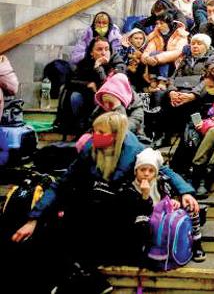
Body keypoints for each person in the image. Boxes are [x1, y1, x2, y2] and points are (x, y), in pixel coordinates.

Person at [12, 112, 198, 294]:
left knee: (62, 239)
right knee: (46, 234)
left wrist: (185, 192)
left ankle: (84, 278)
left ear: (116, 135)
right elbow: (62, 184)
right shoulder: (90, 149)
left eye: (101, 133)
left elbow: (165, 171)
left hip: (122, 218)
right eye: (94, 131)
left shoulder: (136, 152)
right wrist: (33, 219)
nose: (95, 136)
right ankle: (86, 280)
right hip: (93, 210)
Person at [130, 147, 206, 262]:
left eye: (151, 171)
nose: (146, 174)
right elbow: (139, 211)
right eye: (143, 170)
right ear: (136, 171)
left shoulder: (160, 182)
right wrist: (145, 195)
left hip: (164, 217)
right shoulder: (130, 188)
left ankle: (196, 243)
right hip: (148, 221)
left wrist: (172, 202)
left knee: (191, 207)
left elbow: (167, 198)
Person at [57, 37, 126, 134]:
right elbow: (71, 81)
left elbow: (108, 86)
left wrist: (98, 68)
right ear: (91, 53)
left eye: (107, 49)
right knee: (75, 97)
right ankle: (79, 128)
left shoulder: (117, 64)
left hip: (109, 99)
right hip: (88, 97)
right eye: (99, 49)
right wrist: (88, 84)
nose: (103, 53)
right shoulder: (85, 63)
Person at [189, 67, 214, 198]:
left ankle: (207, 172)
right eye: (207, 86)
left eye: (211, 86)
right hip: (207, 130)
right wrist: (198, 122)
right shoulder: (204, 96)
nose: (208, 88)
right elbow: (194, 113)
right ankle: (198, 169)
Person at [140, 11, 189, 80]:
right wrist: (146, 58)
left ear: (169, 24)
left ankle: (162, 81)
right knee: (153, 54)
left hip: (175, 63)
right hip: (156, 63)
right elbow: (148, 50)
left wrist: (157, 58)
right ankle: (154, 81)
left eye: (161, 23)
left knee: (161, 57)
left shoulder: (180, 34)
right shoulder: (155, 35)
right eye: (157, 23)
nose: (159, 26)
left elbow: (178, 52)